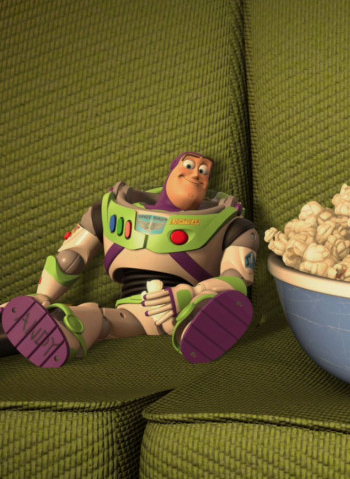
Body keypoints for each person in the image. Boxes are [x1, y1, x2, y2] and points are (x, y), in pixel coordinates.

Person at [0, 152, 257, 366]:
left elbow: (236, 280)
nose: (196, 175)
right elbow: (70, 257)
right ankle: (60, 328)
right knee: (94, 318)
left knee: (210, 302)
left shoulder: (232, 225)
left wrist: (190, 294)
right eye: (189, 166)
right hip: (131, 311)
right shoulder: (109, 210)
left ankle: (197, 327)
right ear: (172, 171)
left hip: (186, 303)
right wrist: (44, 295)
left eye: (204, 171)